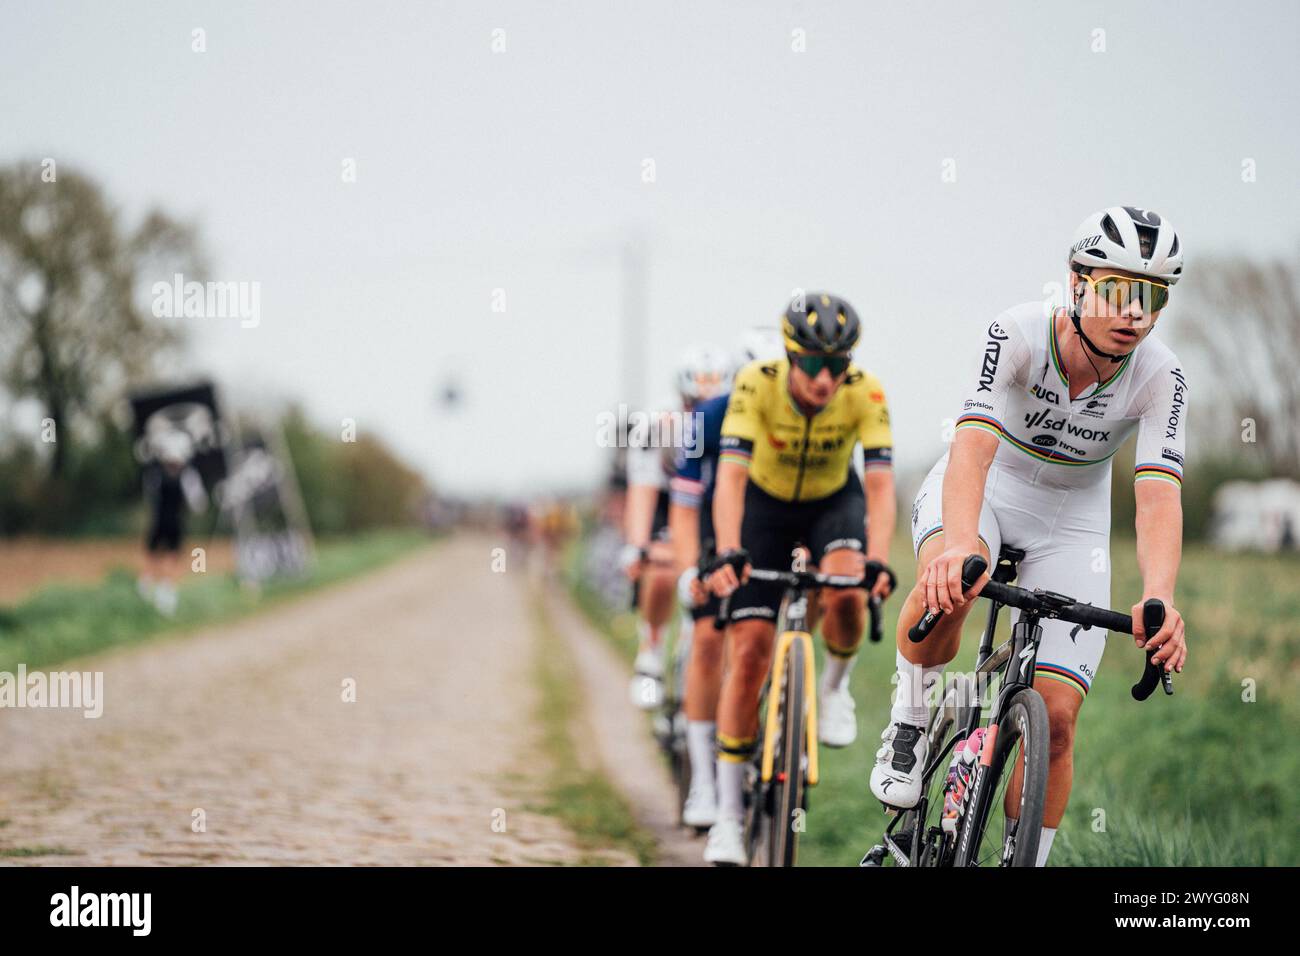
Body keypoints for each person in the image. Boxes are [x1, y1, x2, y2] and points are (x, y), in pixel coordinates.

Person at [868, 207, 1191, 867]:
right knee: (952, 585)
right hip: (983, 489)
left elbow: (1157, 493)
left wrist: (1160, 594)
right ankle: (908, 720)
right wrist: (960, 545)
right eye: (1119, 289)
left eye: (1152, 296)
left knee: (1061, 720)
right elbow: (973, 448)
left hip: (1071, 522)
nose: (1136, 313)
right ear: (1076, 282)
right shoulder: (1016, 332)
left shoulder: (1161, 376)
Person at [703, 293, 897, 865]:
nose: (825, 380)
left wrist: (878, 559)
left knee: (847, 589)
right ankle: (728, 820)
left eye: (837, 366)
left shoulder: (866, 391)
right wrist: (730, 550)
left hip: (832, 503)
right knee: (750, 653)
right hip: (764, 508)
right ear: (790, 357)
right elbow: (730, 479)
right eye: (813, 365)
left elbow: (882, 486)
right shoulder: (754, 384)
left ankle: (833, 688)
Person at [668, 327, 786, 828]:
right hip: (717, 532)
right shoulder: (707, 418)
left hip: (774, 527)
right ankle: (703, 783)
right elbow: (685, 503)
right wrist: (690, 569)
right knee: (708, 637)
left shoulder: (799, 418)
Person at [622, 345, 731, 709]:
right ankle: (650, 650)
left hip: (711, 498)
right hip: (668, 497)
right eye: (694, 403)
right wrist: (638, 546)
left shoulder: (737, 418)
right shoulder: (657, 423)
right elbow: (642, 490)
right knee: (664, 570)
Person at [139, 430, 208, 616]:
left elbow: (149, 496)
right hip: (175, 523)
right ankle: (164, 597)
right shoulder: (188, 476)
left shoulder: (155, 473)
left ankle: (147, 594)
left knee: (152, 557)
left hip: (158, 521)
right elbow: (198, 503)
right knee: (170, 558)